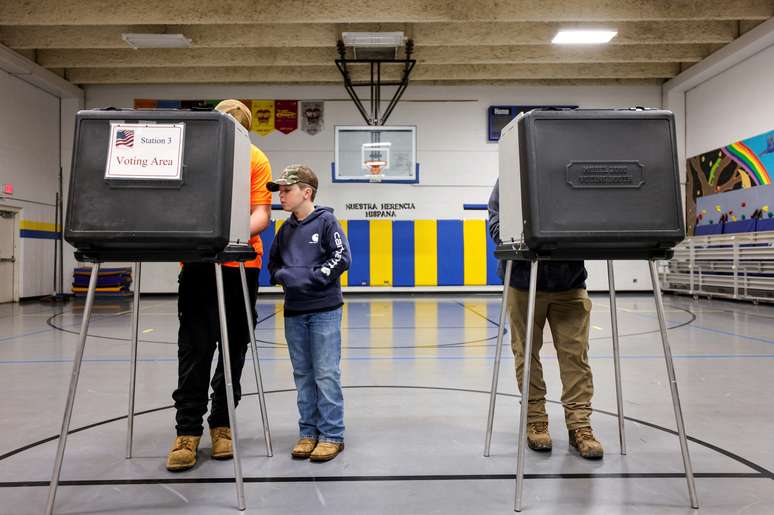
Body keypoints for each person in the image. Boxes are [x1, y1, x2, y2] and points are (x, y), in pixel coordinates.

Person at [166, 100, 272, 471]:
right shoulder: (193, 157)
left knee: (234, 347)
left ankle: (222, 424)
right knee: (194, 348)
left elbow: (261, 213)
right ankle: (187, 431)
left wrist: (227, 235)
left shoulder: (255, 159)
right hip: (198, 265)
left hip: (241, 265)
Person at [488, 178, 603, 459]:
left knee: (575, 356)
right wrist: (535, 237)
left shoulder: (575, 177)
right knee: (526, 354)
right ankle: (535, 419)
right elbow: (495, 224)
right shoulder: (511, 176)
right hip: (523, 281)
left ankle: (580, 426)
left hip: (570, 281)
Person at [267, 165, 351, 462]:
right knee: (303, 374)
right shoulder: (284, 230)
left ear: (307, 192)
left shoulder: (327, 222)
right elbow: (273, 264)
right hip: (294, 312)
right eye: (279, 190)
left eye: (287, 190)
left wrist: (312, 278)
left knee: (326, 373)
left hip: (324, 310)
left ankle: (331, 434)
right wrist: (283, 277)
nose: (281, 196)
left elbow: (342, 258)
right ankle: (308, 432)